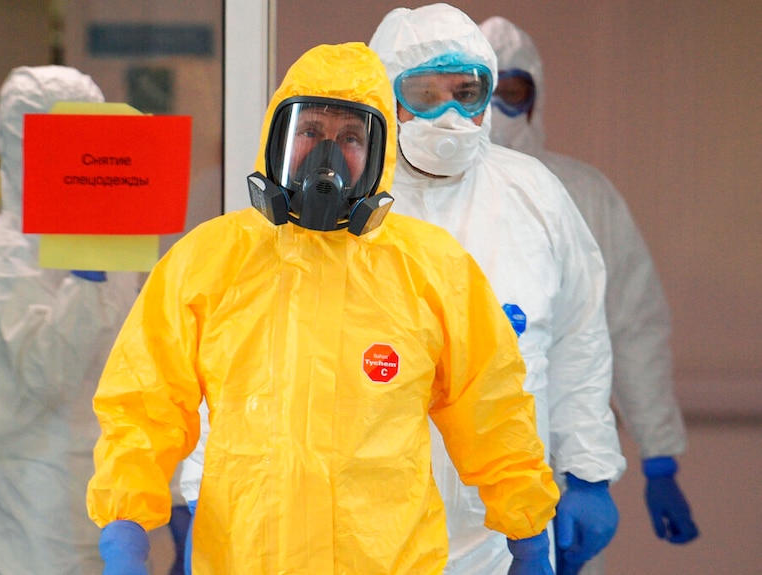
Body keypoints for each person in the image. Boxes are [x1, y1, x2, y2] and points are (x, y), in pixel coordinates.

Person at [86, 41, 560, 575]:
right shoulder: (209, 261)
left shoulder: (432, 269)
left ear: (378, 153)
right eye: (310, 131)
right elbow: (143, 405)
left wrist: (526, 528)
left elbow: (491, 403)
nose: (326, 154)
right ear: (277, 138)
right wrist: (125, 526)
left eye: (351, 137)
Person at [368, 5, 627, 575]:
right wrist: (202, 483)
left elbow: (579, 338)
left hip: (509, 527)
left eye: (467, 91)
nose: (452, 114)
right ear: (383, 94)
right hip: (369, 527)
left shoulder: (533, 194)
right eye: (425, 93)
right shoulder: (352, 205)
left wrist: (587, 471)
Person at [481, 14, 699, 572]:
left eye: (514, 91)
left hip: (560, 466)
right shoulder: (422, 200)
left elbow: (631, 325)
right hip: (452, 463)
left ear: (536, 96)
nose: (500, 108)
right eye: (487, 90)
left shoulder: (581, 195)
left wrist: (659, 457)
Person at [0, 66, 143, 574]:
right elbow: (46, 374)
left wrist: (168, 490)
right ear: (18, 145)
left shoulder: (116, 247)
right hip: (35, 497)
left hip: (112, 489)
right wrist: (86, 282)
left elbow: (141, 368)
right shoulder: (0, 253)